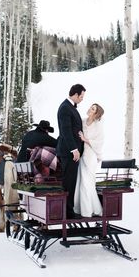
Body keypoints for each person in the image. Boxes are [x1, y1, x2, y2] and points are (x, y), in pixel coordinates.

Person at [57, 84, 86, 219]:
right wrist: (74, 149)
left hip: (71, 151)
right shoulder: (65, 108)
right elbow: (66, 131)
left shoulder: (69, 107)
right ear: (75, 94)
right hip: (69, 152)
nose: (82, 99)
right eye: (81, 96)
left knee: (71, 181)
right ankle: (67, 212)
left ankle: (68, 210)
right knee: (68, 182)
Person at [73, 103, 104, 217]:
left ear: (96, 114)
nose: (89, 109)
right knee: (81, 181)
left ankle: (88, 211)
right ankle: (81, 208)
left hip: (91, 155)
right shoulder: (83, 121)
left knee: (87, 182)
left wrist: (85, 139)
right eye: (90, 107)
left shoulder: (98, 126)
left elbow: (100, 142)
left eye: (93, 109)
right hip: (82, 154)